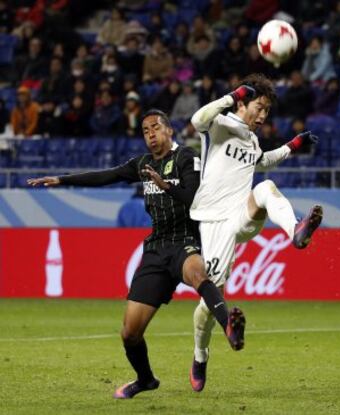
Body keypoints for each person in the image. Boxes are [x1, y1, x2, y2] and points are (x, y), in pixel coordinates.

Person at [27, 109, 246, 399]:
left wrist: (165, 185)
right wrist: (62, 179)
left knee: (197, 272)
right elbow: (108, 175)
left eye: (156, 128)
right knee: (129, 333)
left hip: (185, 241)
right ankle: (145, 380)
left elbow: (194, 199)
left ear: (169, 131)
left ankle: (229, 326)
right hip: (156, 250)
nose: (151, 135)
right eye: (145, 131)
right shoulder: (142, 164)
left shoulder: (186, 157)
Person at [189, 73, 323, 392]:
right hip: (213, 222)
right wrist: (230, 96)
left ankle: (296, 230)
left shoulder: (251, 139)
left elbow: (262, 161)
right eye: (259, 108)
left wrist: (293, 145)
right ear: (244, 103)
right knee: (210, 304)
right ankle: (200, 356)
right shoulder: (220, 124)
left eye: (267, 111)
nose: (263, 116)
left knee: (265, 188)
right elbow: (197, 120)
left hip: (241, 215)